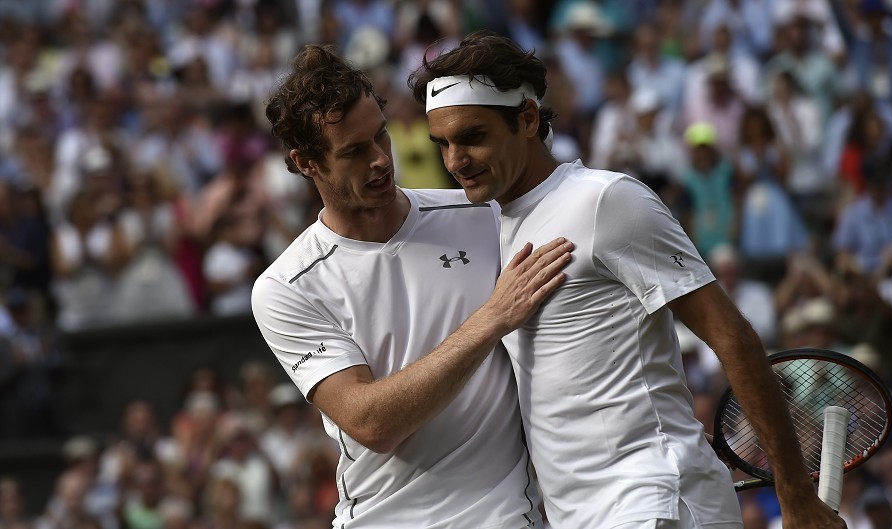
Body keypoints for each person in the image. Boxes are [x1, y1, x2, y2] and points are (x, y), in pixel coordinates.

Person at [410, 30, 847, 529]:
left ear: (527, 119)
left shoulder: (606, 199)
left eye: (472, 136)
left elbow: (731, 335)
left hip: (651, 500)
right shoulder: (500, 226)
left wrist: (793, 494)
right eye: (441, 143)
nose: (454, 160)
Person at [251, 44, 573, 528]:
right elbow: (371, 423)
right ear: (305, 163)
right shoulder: (285, 287)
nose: (380, 160)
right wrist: (491, 318)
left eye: (381, 137)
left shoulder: (482, 214)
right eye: (354, 152)